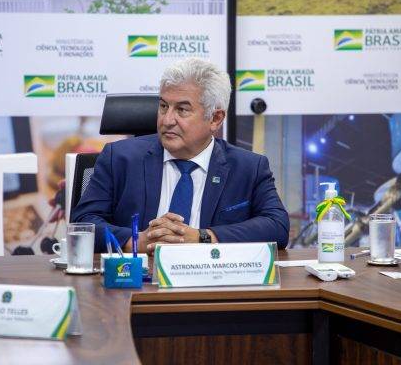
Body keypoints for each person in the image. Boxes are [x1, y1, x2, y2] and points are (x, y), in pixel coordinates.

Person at [71, 58, 290, 253]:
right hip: (136, 278)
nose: (167, 120)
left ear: (215, 119)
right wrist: (135, 241)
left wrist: (203, 237)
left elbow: (277, 226)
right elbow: (83, 222)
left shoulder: (248, 167)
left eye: (182, 110)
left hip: (211, 278)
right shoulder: (119, 158)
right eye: (163, 106)